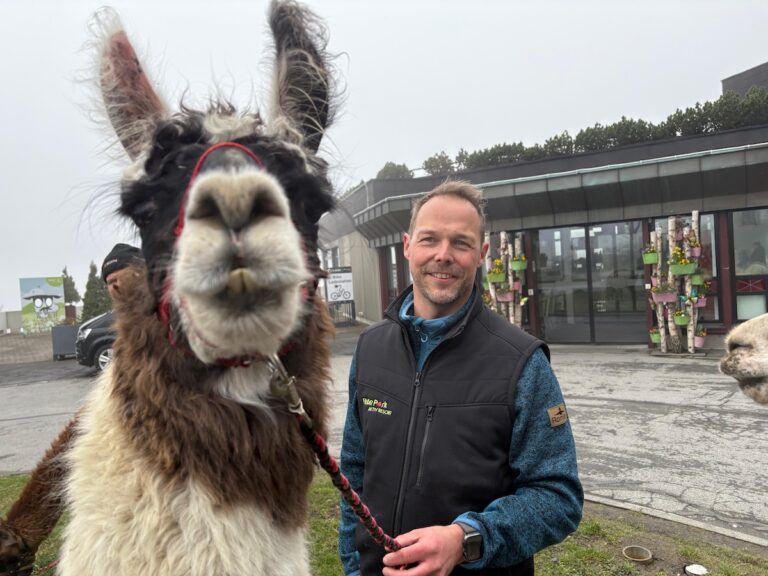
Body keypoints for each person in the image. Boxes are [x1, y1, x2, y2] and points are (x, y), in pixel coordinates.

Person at [338, 181, 582, 576]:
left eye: (461, 243)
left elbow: (558, 497)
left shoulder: (522, 362)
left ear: (482, 253)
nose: (443, 255)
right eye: (429, 239)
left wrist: (467, 539)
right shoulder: (370, 348)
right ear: (407, 245)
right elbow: (353, 470)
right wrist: (353, 564)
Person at [0, 243, 144, 574]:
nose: (115, 286)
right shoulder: (128, 342)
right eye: (109, 281)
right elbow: (84, 433)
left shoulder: (180, 329)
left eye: (123, 276)